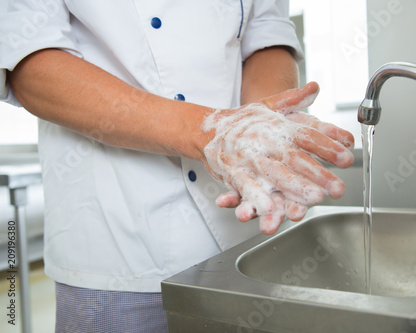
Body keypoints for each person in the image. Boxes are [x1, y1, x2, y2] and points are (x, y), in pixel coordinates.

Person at [0, 0, 355, 331]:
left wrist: (257, 133)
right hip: (118, 239)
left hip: (245, 229)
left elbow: (266, 33)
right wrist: (209, 133)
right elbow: (29, 59)